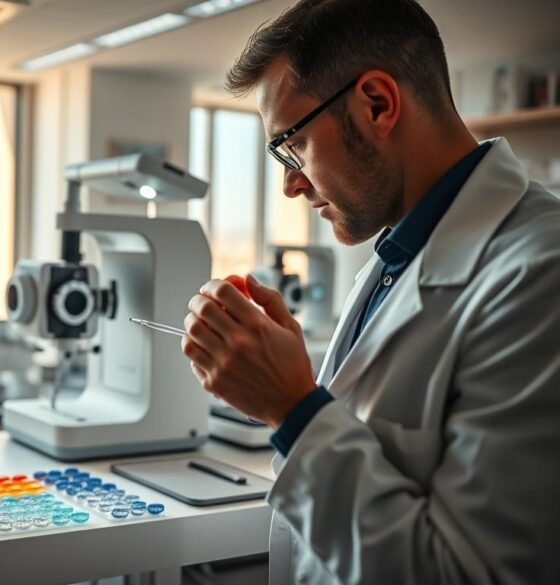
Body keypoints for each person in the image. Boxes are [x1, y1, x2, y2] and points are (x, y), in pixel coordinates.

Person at [180, 1, 560, 583]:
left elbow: (469, 573)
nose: (289, 184)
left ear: (377, 105)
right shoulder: (395, 259)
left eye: (292, 143)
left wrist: (292, 408)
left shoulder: (539, 276)